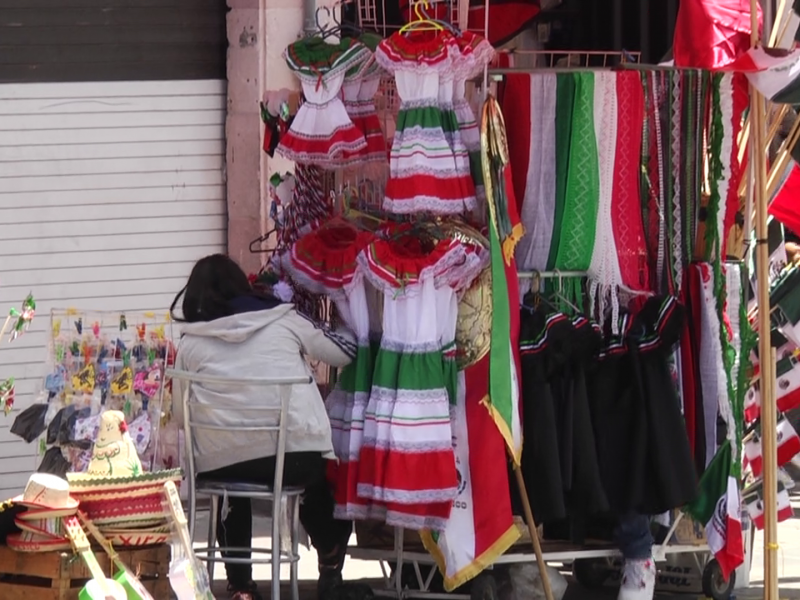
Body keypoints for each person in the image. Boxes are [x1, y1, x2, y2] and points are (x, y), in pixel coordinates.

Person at [170, 254, 356, 600]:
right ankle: (331, 561)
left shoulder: (190, 343)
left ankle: (241, 586)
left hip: (222, 463)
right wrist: (348, 320)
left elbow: (182, 416)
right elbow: (344, 352)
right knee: (317, 481)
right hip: (296, 459)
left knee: (230, 492)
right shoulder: (283, 320)